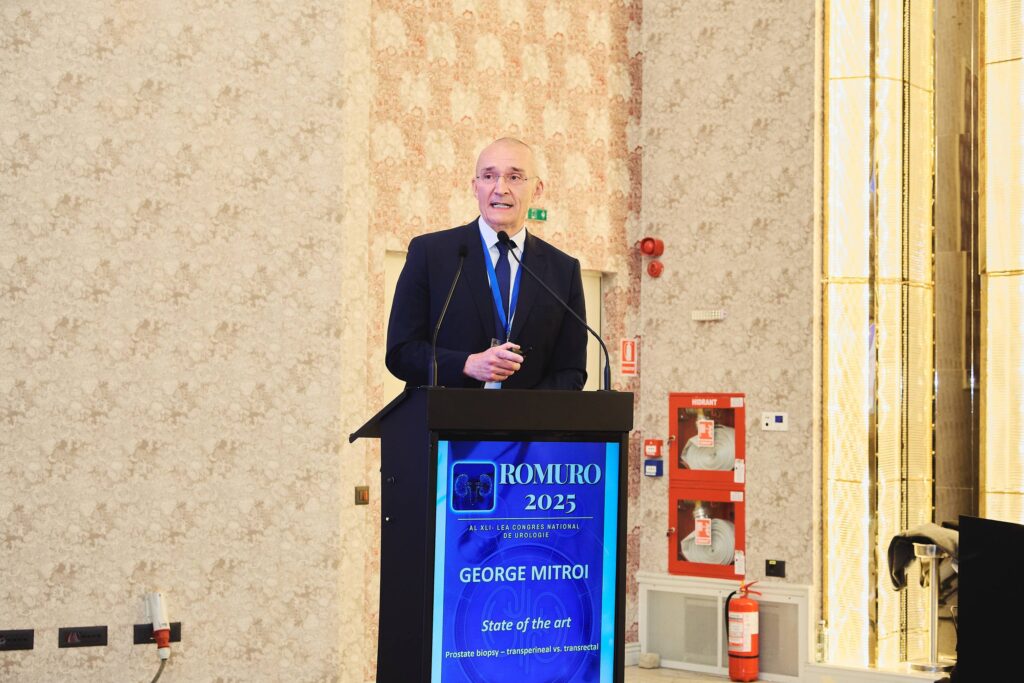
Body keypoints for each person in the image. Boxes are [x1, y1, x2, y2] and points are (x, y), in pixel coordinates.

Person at [386, 137, 587, 390]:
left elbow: (571, 370)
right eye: (489, 176)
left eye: (514, 177)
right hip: (445, 414)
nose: (500, 188)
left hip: (528, 416)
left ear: (537, 189)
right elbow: (401, 352)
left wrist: (526, 411)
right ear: (475, 186)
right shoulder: (430, 253)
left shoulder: (563, 270)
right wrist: (466, 364)